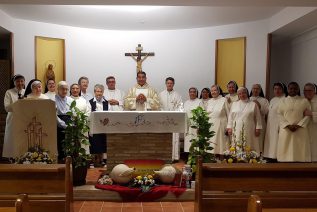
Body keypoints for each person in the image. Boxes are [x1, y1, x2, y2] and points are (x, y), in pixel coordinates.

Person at [277, 82, 311, 162]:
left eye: (295, 88)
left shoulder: (304, 101)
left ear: (298, 89)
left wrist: (298, 125)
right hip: (286, 130)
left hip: (300, 130)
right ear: (288, 89)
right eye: (291, 88)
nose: (293, 90)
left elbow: (308, 115)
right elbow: (279, 114)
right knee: (285, 151)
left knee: (299, 152)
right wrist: (288, 125)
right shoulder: (282, 101)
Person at [227, 87, 262, 153]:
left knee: (249, 142)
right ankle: (237, 157)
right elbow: (230, 117)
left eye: (243, 93)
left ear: (247, 93)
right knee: (237, 142)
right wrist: (229, 128)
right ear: (238, 95)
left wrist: (258, 128)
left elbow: (258, 117)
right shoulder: (234, 104)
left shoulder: (253, 104)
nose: (242, 95)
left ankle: (250, 158)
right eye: (240, 94)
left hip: (250, 128)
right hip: (236, 128)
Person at [159, 77, 183, 161]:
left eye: (171, 83)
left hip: (174, 120)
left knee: (174, 138)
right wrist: (165, 114)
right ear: (166, 84)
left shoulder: (177, 95)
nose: (169, 84)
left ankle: (174, 157)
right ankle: (163, 156)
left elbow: (180, 106)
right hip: (163, 120)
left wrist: (173, 114)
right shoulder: (161, 94)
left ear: (173, 84)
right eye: (168, 83)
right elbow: (159, 106)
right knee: (164, 138)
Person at [3, 74, 25, 158]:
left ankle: (23, 156)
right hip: (13, 119)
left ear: (24, 82)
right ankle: (11, 158)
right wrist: (18, 103)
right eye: (17, 81)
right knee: (12, 139)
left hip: (24, 119)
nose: (20, 83)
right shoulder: (9, 92)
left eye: (22, 81)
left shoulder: (26, 92)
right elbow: (7, 107)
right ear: (14, 82)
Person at [263, 83, 287, 161]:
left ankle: (277, 158)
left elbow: (285, 114)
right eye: (275, 89)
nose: (277, 91)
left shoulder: (285, 99)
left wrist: (282, 126)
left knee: (277, 141)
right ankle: (270, 156)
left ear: (283, 89)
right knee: (270, 141)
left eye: (279, 89)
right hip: (270, 124)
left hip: (279, 124)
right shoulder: (273, 100)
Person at [88, 84, 108, 167]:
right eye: (97, 91)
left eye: (100, 91)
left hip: (103, 126)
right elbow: (88, 114)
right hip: (93, 126)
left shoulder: (106, 103)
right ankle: (92, 161)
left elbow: (108, 114)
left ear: (103, 92)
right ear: (94, 92)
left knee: (103, 142)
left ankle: (103, 160)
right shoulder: (90, 102)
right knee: (93, 143)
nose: (99, 93)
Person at [206, 85, 230, 157]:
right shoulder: (209, 101)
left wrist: (229, 126)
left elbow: (229, 114)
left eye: (215, 90)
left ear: (219, 91)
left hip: (221, 125)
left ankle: (222, 160)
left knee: (221, 144)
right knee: (211, 144)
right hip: (210, 126)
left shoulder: (224, 100)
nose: (213, 92)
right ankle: (212, 159)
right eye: (212, 91)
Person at [55, 81, 73, 162]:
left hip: (70, 123)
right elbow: (54, 115)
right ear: (58, 89)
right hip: (58, 124)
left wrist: (72, 124)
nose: (65, 91)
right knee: (60, 144)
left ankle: (69, 161)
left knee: (70, 144)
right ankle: (61, 161)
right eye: (62, 89)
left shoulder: (70, 100)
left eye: (66, 89)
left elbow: (73, 113)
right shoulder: (53, 100)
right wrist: (63, 124)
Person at [249, 84, 269, 153]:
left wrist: (259, 106)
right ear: (251, 90)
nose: (255, 90)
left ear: (260, 90)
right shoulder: (248, 99)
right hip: (250, 123)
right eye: (254, 88)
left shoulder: (264, 100)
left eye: (257, 89)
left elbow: (266, 112)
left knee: (259, 140)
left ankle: (260, 155)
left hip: (260, 123)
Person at [184, 87, 202, 155]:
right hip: (187, 126)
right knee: (188, 142)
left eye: (194, 92)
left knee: (196, 142)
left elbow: (202, 114)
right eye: (190, 92)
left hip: (196, 126)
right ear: (189, 93)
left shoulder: (199, 102)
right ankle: (189, 157)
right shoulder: (186, 102)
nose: (192, 93)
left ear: (196, 93)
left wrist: (200, 126)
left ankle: (195, 158)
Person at [303, 83, 317, 162]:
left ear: (314, 91)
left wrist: (312, 113)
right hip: (304, 132)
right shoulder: (301, 101)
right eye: (305, 90)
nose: (307, 92)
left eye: (309, 90)